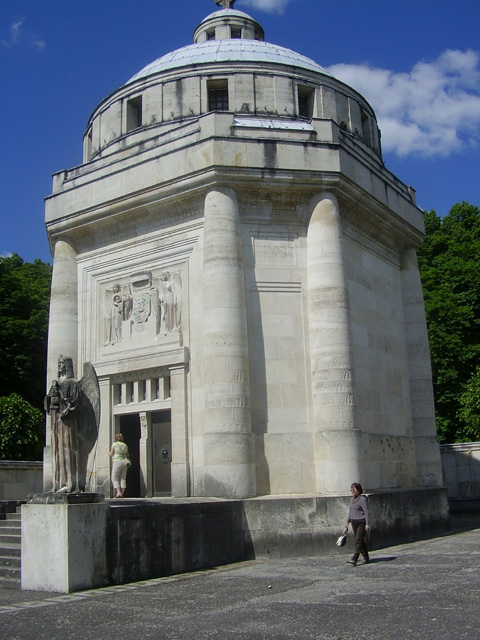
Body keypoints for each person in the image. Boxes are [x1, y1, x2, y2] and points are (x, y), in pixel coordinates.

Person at [345, 482, 370, 566]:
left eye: (354, 489)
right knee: (360, 540)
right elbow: (350, 512)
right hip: (353, 521)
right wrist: (347, 522)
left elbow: (366, 512)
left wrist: (367, 523)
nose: (352, 491)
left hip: (361, 522)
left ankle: (354, 558)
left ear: (358, 490)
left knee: (358, 540)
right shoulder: (352, 500)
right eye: (351, 489)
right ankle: (366, 556)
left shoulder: (362, 499)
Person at [109, 433, 130, 498]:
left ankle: (118, 492)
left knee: (114, 477)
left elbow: (111, 454)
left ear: (116, 438)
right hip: (124, 462)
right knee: (123, 478)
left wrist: (108, 453)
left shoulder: (114, 444)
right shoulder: (125, 445)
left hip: (117, 461)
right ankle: (122, 493)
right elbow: (127, 455)